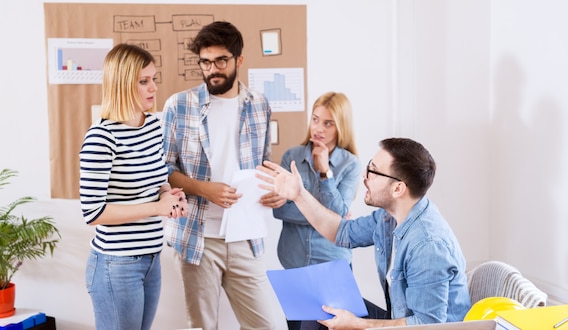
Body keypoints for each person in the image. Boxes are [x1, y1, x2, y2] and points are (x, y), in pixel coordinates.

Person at [257, 137, 471, 329]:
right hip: (401, 318)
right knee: (321, 307)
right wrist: (299, 195)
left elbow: (427, 325)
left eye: (373, 171)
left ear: (398, 189)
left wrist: (358, 324)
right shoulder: (390, 217)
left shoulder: (427, 245)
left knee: (327, 319)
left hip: (422, 328)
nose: (364, 175)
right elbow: (342, 232)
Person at [161, 21, 284, 329]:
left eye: (221, 61)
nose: (212, 69)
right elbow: (163, 169)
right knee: (202, 326)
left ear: (238, 60)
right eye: (205, 62)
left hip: (245, 237)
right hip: (198, 237)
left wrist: (275, 191)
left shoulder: (259, 105)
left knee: (269, 324)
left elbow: (264, 164)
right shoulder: (179, 105)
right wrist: (204, 189)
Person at [79, 43, 189, 330]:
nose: (153, 87)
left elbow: (159, 178)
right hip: (117, 265)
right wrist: (157, 207)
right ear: (122, 84)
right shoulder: (100, 139)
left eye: (153, 78)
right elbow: (93, 213)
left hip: (151, 259)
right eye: (143, 81)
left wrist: (170, 195)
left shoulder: (153, 126)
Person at [271, 92, 362, 330]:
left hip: (332, 264)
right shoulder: (292, 156)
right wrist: (326, 218)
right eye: (315, 119)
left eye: (328, 123)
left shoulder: (350, 164)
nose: (318, 128)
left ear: (340, 127)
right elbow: (279, 210)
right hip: (294, 263)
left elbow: (339, 213)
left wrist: (325, 173)